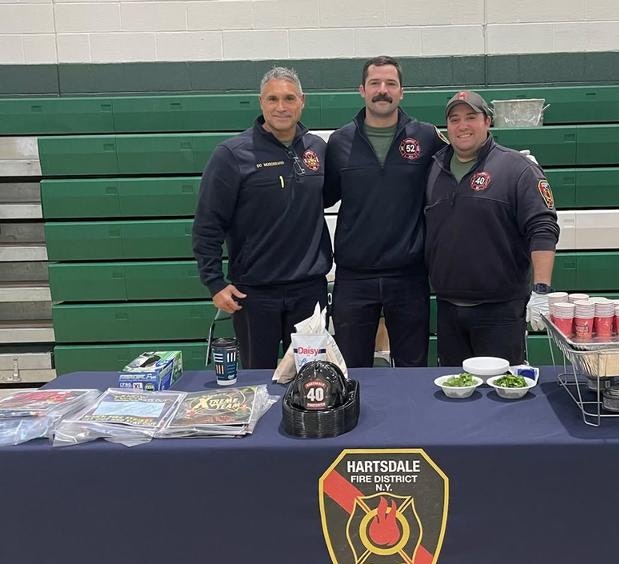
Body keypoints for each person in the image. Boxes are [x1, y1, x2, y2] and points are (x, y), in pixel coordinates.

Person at [192, 66, 332, 369]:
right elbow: (207, 225)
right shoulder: (232, 154)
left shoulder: (317, 150)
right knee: (258, 382)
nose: (281, 107)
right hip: (254, 295)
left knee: (313, 379)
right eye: (272, 99)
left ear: (302, 101)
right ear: (260, 102)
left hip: (309, 291)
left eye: (289, 98)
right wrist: (214, 283)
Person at [323, 56, 447, 367]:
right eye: (375, 84)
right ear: (361, 90)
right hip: (354, 277)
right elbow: (320, 197)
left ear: (402, 92)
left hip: (409, 275)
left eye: (390, 84)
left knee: (412, 369)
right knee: (351, 371)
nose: (383, 90)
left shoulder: (426, 137)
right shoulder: (339, 142)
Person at [424, 91, 560, 366]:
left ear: (487, 121)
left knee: (501, 400)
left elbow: (543, 228)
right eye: (454, 119)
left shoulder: (517, 168)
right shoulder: (433, 169)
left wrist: (542, 290)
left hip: (500, 311)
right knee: (455, 396)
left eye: (471, 117)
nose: (462, 126)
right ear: (447, 127)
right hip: (449, 308)